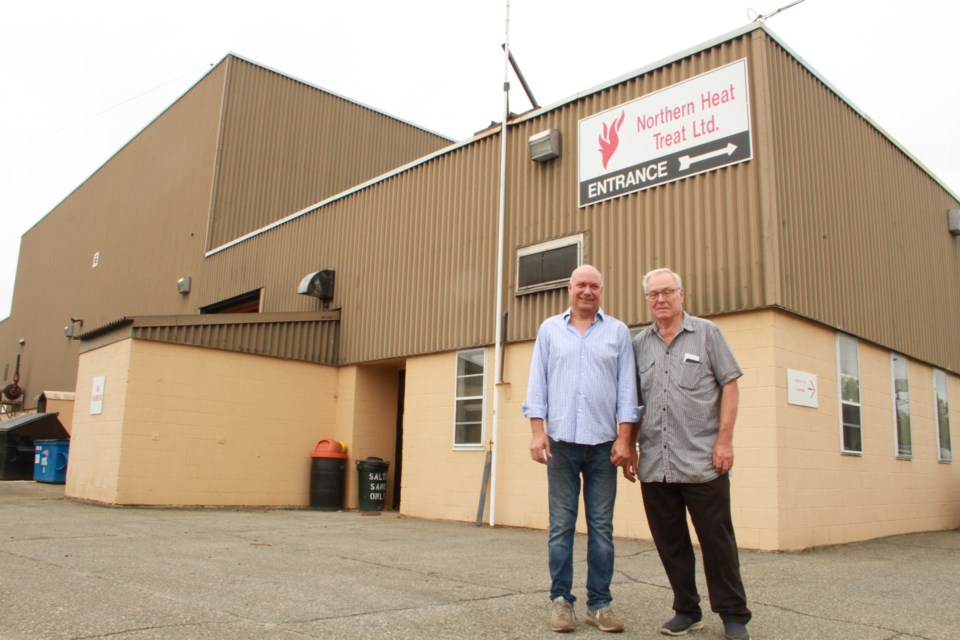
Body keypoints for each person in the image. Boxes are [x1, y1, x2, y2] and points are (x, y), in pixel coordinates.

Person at [626, 268, 752, 640]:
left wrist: (724, 441)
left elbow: (730, 384)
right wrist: (631, 446)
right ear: (647, 299)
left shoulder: (708, 334)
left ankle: (733, 615)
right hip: (656, 465)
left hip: (703, 462)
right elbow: (633, 402)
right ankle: (686, 610)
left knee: (717, 542)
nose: (661, 299)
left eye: (667, 292)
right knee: (671, 545)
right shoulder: (639, 344)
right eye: (654, 294)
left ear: (682, 295)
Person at [522, 264, 640, 634]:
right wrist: (537, 432)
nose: (587, 291)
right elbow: (537, 384)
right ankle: (561, 602)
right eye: (581, 285)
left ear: (602, 290)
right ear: (570, 289)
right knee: (561, 527)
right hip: (560, 446)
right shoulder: (549, 329)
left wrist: (625, 439)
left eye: (594, 286)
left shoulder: (618, 331)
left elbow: (627, 391)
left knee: (602, 528)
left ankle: (600, 605)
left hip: (605, 447)